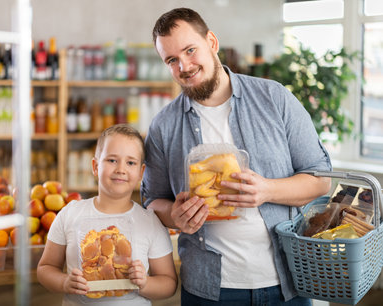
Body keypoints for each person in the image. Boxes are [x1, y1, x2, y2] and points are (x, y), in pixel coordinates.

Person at [141, 7, 332, 306]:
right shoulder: (163, 126)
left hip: (288, 282)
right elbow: (152, 200)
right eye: (172, 60)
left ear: (212, 42)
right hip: (208, 290)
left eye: (190, 50)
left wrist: (267, 190)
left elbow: (321, 181)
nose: (185, 66)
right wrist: (173, 215)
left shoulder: (275, 98)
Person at [37, 124, 177, 306]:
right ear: (95, 167)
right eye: (112, 160)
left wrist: (145, 283)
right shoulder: (70, 213)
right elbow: (45, 268)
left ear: (141, 173)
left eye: (131, 162)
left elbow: (169, 283)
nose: (121, 169)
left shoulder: (150, 221)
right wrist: (64, 282)